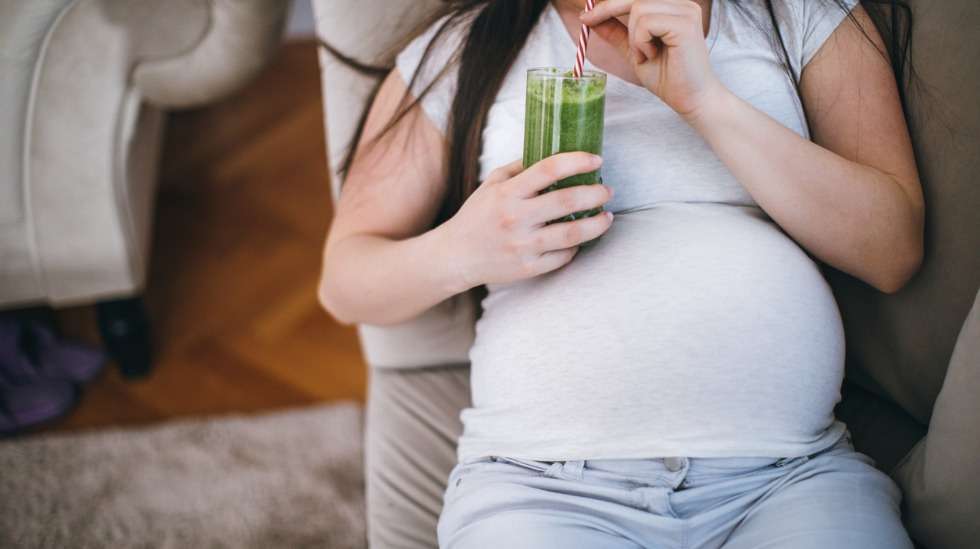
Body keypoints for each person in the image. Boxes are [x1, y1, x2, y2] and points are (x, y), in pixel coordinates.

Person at [319, 0, 924, 547]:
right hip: (541, 492)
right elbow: (343, 283)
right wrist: (464, 248)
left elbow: (891, 250)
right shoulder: (465, 50)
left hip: (789, 479)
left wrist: (704, 101)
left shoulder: (798, 16)